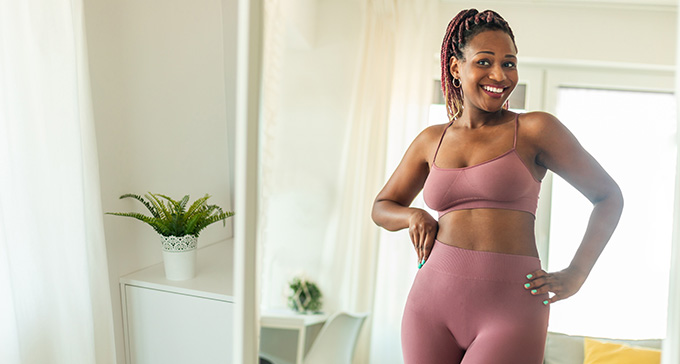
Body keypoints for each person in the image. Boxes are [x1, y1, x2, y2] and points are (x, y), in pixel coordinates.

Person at [371, 8, 624, 364]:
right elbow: (382, 206)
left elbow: (608, 196)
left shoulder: (536, 130)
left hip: (511, 310)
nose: (499, 75)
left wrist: (577, 273)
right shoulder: (431, 140)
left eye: (509, 63)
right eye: (485, 61)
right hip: (429, 306)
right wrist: (413, 215)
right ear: (456, 68)